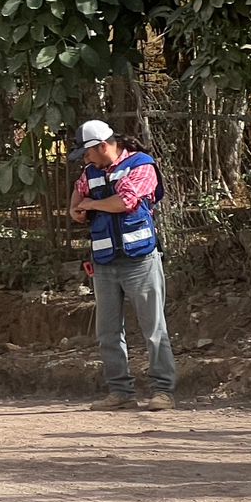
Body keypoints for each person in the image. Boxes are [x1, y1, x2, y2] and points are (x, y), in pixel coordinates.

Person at [70, 118, 175, 412]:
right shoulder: (91, 171)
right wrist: (74, 207)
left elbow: (125, 202)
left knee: (153, 329)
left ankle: (163, 391)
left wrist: (90, 205)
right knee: (108, 332)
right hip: (104, 262)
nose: (86, 159)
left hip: (140, 260)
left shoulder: (141, 165)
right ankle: (120, 392)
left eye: (88, 153)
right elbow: (78, 192)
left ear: (103, 146)